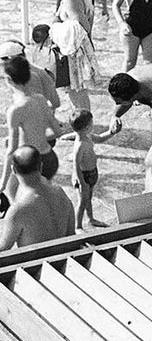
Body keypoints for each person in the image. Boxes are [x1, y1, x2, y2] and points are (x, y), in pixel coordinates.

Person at [1, 55, 61, 196]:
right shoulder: (40, 100)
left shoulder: (15, 110)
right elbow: (57, 131)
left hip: (29, 162)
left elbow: (12, 150)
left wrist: (2, 184)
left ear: (9, 80)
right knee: (42, 200)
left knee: (14, 195)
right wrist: (37, 134)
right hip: (49, 159)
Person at [0, 146, 74, 252]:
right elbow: (71, 234)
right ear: (41, 166)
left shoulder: (18, 210)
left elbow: (4, 248)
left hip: (36, 266)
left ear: (14, 170)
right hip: (65, 262)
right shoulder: (60, 192)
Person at [52, 0, 99, 112]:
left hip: (74, 51)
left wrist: (56, 28)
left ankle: (84, 124)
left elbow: (82, 25)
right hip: (79, 48)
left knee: (76, 91)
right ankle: (82, 122)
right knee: (76, 91)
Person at [66, 108, 110, 229]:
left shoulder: (88, 136)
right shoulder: (80, 144)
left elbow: (100, 138)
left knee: (88, 199)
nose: (93, 125)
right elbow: (76, 164)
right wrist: (82, 182)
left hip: (91, 173)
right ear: (86, 127)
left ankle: (91, 219)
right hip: (83, 176)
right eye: (92, 123)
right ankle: (78, 226)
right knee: (82, 202)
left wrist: (112, 132)